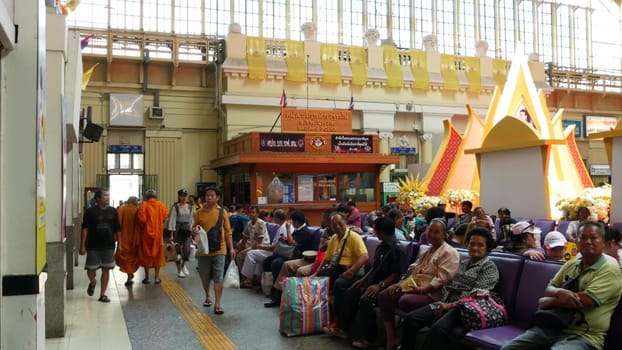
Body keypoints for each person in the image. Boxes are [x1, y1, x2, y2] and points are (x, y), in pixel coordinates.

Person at [501, 221, 622, 350]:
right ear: (576, 242)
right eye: (583, 237)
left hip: (584, 335)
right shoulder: (572, 264)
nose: (588, 241)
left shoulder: (610, 269)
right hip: (554, 325)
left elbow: (585, 300)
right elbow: (549, 288)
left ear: (603, 242)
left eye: (593, 238)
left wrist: (550, 301)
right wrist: (558, 293)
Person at [400, 227, 500, 350]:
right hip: (446, 302)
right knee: (411, 319)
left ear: (487, 248)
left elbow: (477, 296)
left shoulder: (489, 267)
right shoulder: (464, 263)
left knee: (437, 329)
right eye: (472, 243)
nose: (474, 247)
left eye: (480, 245)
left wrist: (451, 305)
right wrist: (444, 302)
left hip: (464, 309)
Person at [378, 218, 460, 350]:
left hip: (432, 293)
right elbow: (412, 272)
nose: (432, 235)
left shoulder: (450, 253)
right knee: (385, 295)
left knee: (406, 301)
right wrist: (400, 284)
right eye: (430, 231)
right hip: (413, 287)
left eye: (437, 232)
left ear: (444, 234)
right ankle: (391, 338)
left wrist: (420, 290)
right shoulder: (427, 251)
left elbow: (440, 280)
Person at [341, 217, 406, 348]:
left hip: (389, 287)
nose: (374, 232)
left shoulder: (397, 249)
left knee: (366, 300)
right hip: (375, 283)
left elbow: (397, 274)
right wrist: (363, 280)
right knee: (351, 291)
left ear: (382, 232)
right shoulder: (381, 246)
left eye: (376, 230)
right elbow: (374, 268)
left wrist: (380, 285)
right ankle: (348, 330)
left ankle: (370, 340)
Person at [321, 212, 369, 337]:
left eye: (339, 223)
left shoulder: (354, 237)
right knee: (321, 281)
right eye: (333, 225)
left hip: (354, 273)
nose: (337, 227)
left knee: (339, 284)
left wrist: (351, 271)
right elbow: (327, 259)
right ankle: (326, 320)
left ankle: (341, 326)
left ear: (346, 222)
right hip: (338, 270)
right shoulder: (333, 239)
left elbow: (364, 256)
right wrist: (316, 273)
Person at [192, 186, 235, 315]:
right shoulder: (199, 213)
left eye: (212, 195)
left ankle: (218, 303)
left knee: (218, 276)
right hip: (203, 250)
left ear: (218, 198)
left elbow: (228, 232)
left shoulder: (223, 212)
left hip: (220, 249)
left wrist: (231, 248)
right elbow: (194, 228)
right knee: (204, 275)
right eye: (207, 195)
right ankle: (207, 295)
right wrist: (194, 231)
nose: (209, 198)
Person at [263, 210, 314, 308]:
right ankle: (274, 291)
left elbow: (292, 243)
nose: (291, 223)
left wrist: (287, 229)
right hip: (293, 255)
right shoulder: (299, 230)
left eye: (293, 221)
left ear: (297, 222)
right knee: (271, 259)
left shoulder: (304, 231)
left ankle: (277, 294)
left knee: (277, 263)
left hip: (301, 257)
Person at [80, 189, 121, 303]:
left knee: (106, 269)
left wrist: (120, 244)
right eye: (105, 195)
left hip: (109, 246)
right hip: (93, 245)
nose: (107, 197)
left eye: (108, 195)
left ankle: (102, 294)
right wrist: (82, 245)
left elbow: (118, 229)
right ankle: (93, 282)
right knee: (91, 269)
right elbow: (85, 229)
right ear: (98, 198)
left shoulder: (113, 211)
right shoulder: (90, 212)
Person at [239, 209, 287, 288]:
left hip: (275, 251)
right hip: (272, 249)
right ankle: (255, 278)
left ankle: (249, 280)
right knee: (252, 254)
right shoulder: (282, 227)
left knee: (251, 253)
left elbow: (276, 247)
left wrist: (261, 247)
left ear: (277, 218)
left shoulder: (283, 228)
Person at [137, 189, 169, 284]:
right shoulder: (161, 205)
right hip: (158, 235)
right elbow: (165, 216)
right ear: (155, 196)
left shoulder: (144, 206)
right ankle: (156, 278)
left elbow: (141, 220)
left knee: (146, 256)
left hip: (146, 235)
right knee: (158, 256)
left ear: (146, 197)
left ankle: (147, 278)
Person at [236, 205, 269, 287]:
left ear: (257, 214)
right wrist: (238, 250)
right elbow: (244, 239)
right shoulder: (249, 224)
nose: (251, 214)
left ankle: (249, 280)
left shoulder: (261, 223)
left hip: (263, 247)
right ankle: (244, 278)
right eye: (250, 212)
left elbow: (259, 241)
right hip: (253, 246)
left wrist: (249, 249)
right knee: (239, 256)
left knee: (249, 253)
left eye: (253, 212)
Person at [167, 189, 194, 278]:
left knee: (187, 251)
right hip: (177, 230)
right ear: (179, 197)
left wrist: (192, 233)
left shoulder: (190, 207)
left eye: (185, 196)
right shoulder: (176, 207)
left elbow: (191, 220)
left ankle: (183, 265)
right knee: (177, 252)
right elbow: (172, 221)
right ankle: (179, 270)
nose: (183, 197)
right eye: (182, 196)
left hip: (187, 229)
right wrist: (171, 235)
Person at [115, 196, 140, 287]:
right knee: (133, 258)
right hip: (135, 239)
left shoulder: (122, 209)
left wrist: (116, 237)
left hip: (123, 238)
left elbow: (117, 224)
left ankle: (129, 275)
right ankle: (130, 275)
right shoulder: (138, 210)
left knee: (124, 257)